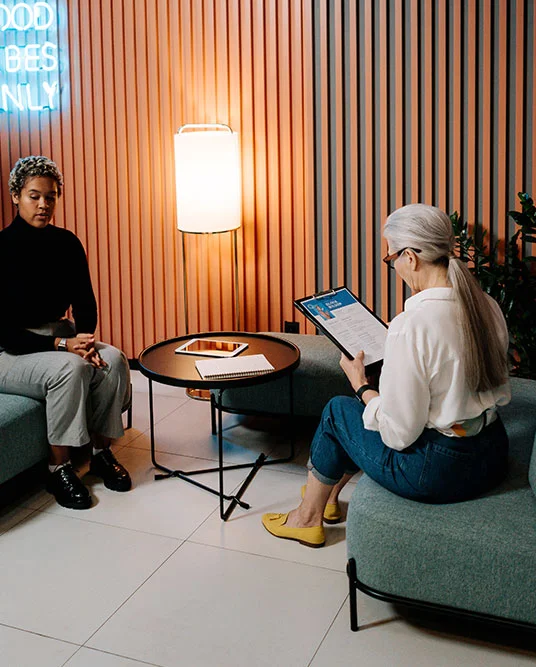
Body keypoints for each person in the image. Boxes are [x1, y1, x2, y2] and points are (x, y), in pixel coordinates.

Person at [263, 203, 511, 547]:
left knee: (338, 412)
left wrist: (361, 386)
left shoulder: (411, 326)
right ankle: (329, 498)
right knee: (358, 413)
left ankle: (306, 518)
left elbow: (398, 435)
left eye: (391, 258)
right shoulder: (486, 305)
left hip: (442, 472)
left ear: (410, 257)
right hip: (492, 455)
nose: (394, 266)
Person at [0, 156, 132, 510]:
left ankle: (101, 453)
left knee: (114, 359)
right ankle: (59, 468)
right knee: (70, 368)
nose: (43, 205)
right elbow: (7, 333)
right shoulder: (2, 248)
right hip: (10, 351)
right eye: (34, 196)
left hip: (59, 336)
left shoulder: (67, 243)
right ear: (15, 196)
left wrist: (85, 342)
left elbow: (85, 304)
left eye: (51, 197)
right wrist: (62, 345)